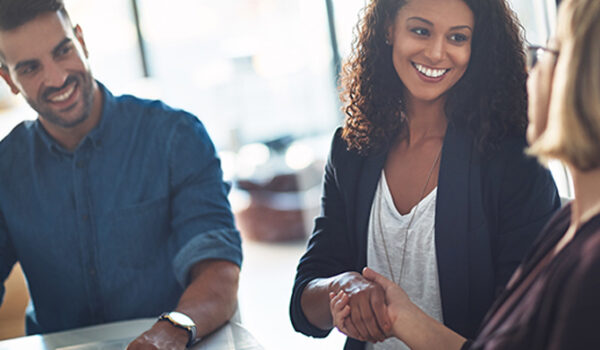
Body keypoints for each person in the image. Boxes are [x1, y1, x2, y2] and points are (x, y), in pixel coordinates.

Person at [290, 0, 561, 349]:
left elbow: (527, 334)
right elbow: (303, 302)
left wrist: (403, 319)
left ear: (476, 46)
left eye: (458, 38)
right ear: (389, 28)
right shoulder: (350, 149)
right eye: (420, 31)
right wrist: (340, 287)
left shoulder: (513, 162)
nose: (436, 53)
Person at [0, 1, 242, 349]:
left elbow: (218, 272)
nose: (56, 78)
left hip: (174, 341)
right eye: (30, 68)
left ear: (81, 41)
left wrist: (168, 332)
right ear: (9, 79)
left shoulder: (176, 137)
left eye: (63, 50)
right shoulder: (6, 168)